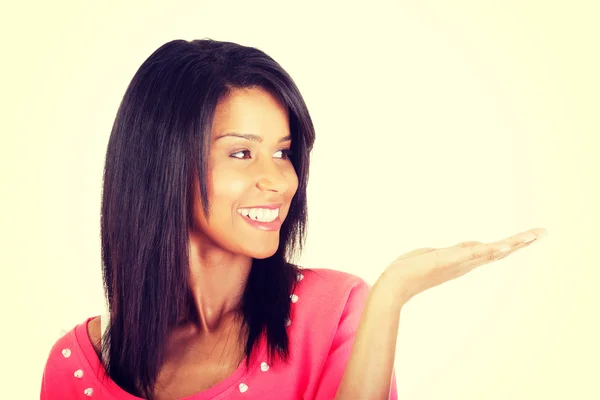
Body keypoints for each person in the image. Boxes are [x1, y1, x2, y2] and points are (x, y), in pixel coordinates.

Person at [40, 38, 547, 400]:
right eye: (242, 154)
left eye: (284, 153)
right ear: (160, 164)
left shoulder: (334, 312)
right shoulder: (76, 366)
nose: (281, 181)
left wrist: (393, 293)